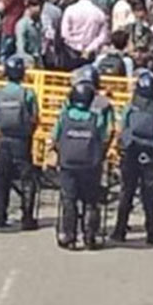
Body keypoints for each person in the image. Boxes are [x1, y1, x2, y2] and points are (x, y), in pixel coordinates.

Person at [112, 69, 153, 244]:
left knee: (126, 192)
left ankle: (119, 231)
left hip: (131, 151)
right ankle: (151, 233)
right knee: (150, 196)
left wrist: (119, 146)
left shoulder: (131, 106)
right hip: (151, 154)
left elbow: (122, 128)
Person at [52, 72, 108, 250]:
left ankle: (69, 236)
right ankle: (90, 236)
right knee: (91, 201)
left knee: (69, 199)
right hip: (91, 165)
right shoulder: (96, 118)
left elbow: (54, 137)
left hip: (68, 164)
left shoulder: (65, 116)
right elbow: (104, 137)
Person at [0, 54, 40, 230]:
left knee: (1, 178)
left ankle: (0, 215)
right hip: (22, 141)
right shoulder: (28, 93)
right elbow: (35, 117)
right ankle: (27, 218)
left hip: (3, 141)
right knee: (27, 179)